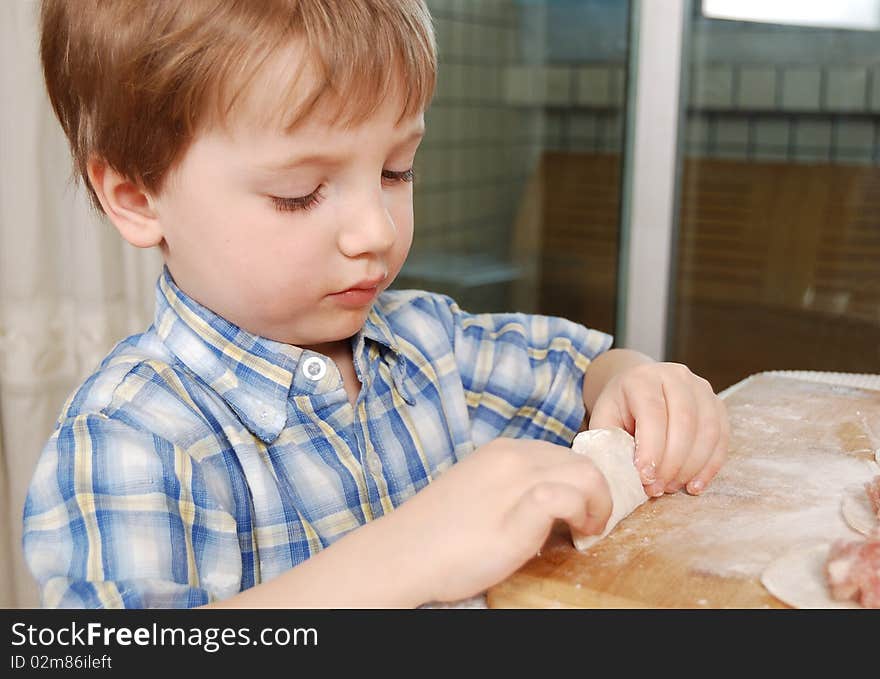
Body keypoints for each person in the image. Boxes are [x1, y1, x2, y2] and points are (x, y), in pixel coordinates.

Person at [23, 0, 729, 609]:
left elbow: (587, 372)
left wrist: (639, 383)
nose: (377, 232)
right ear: (137, 197)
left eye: (396, 170)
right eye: (299, 192)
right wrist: (406, 553)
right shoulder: (128, 438)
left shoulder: (429, 346)